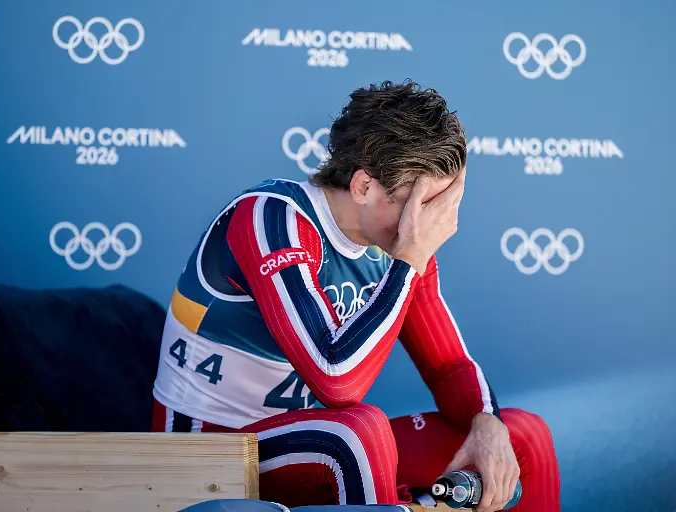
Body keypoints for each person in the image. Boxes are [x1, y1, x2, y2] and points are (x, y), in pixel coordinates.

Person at [151, 80, 560, 511]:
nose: (431, 224)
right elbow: (335, 381)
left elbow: (449, 365)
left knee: (519, 437)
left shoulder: (401, 245)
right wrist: (410, 260)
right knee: (357, 432)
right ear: (364, 186)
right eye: (418, 204)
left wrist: (486, 422)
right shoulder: (270, 216)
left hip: (306, 442)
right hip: (210, 450)